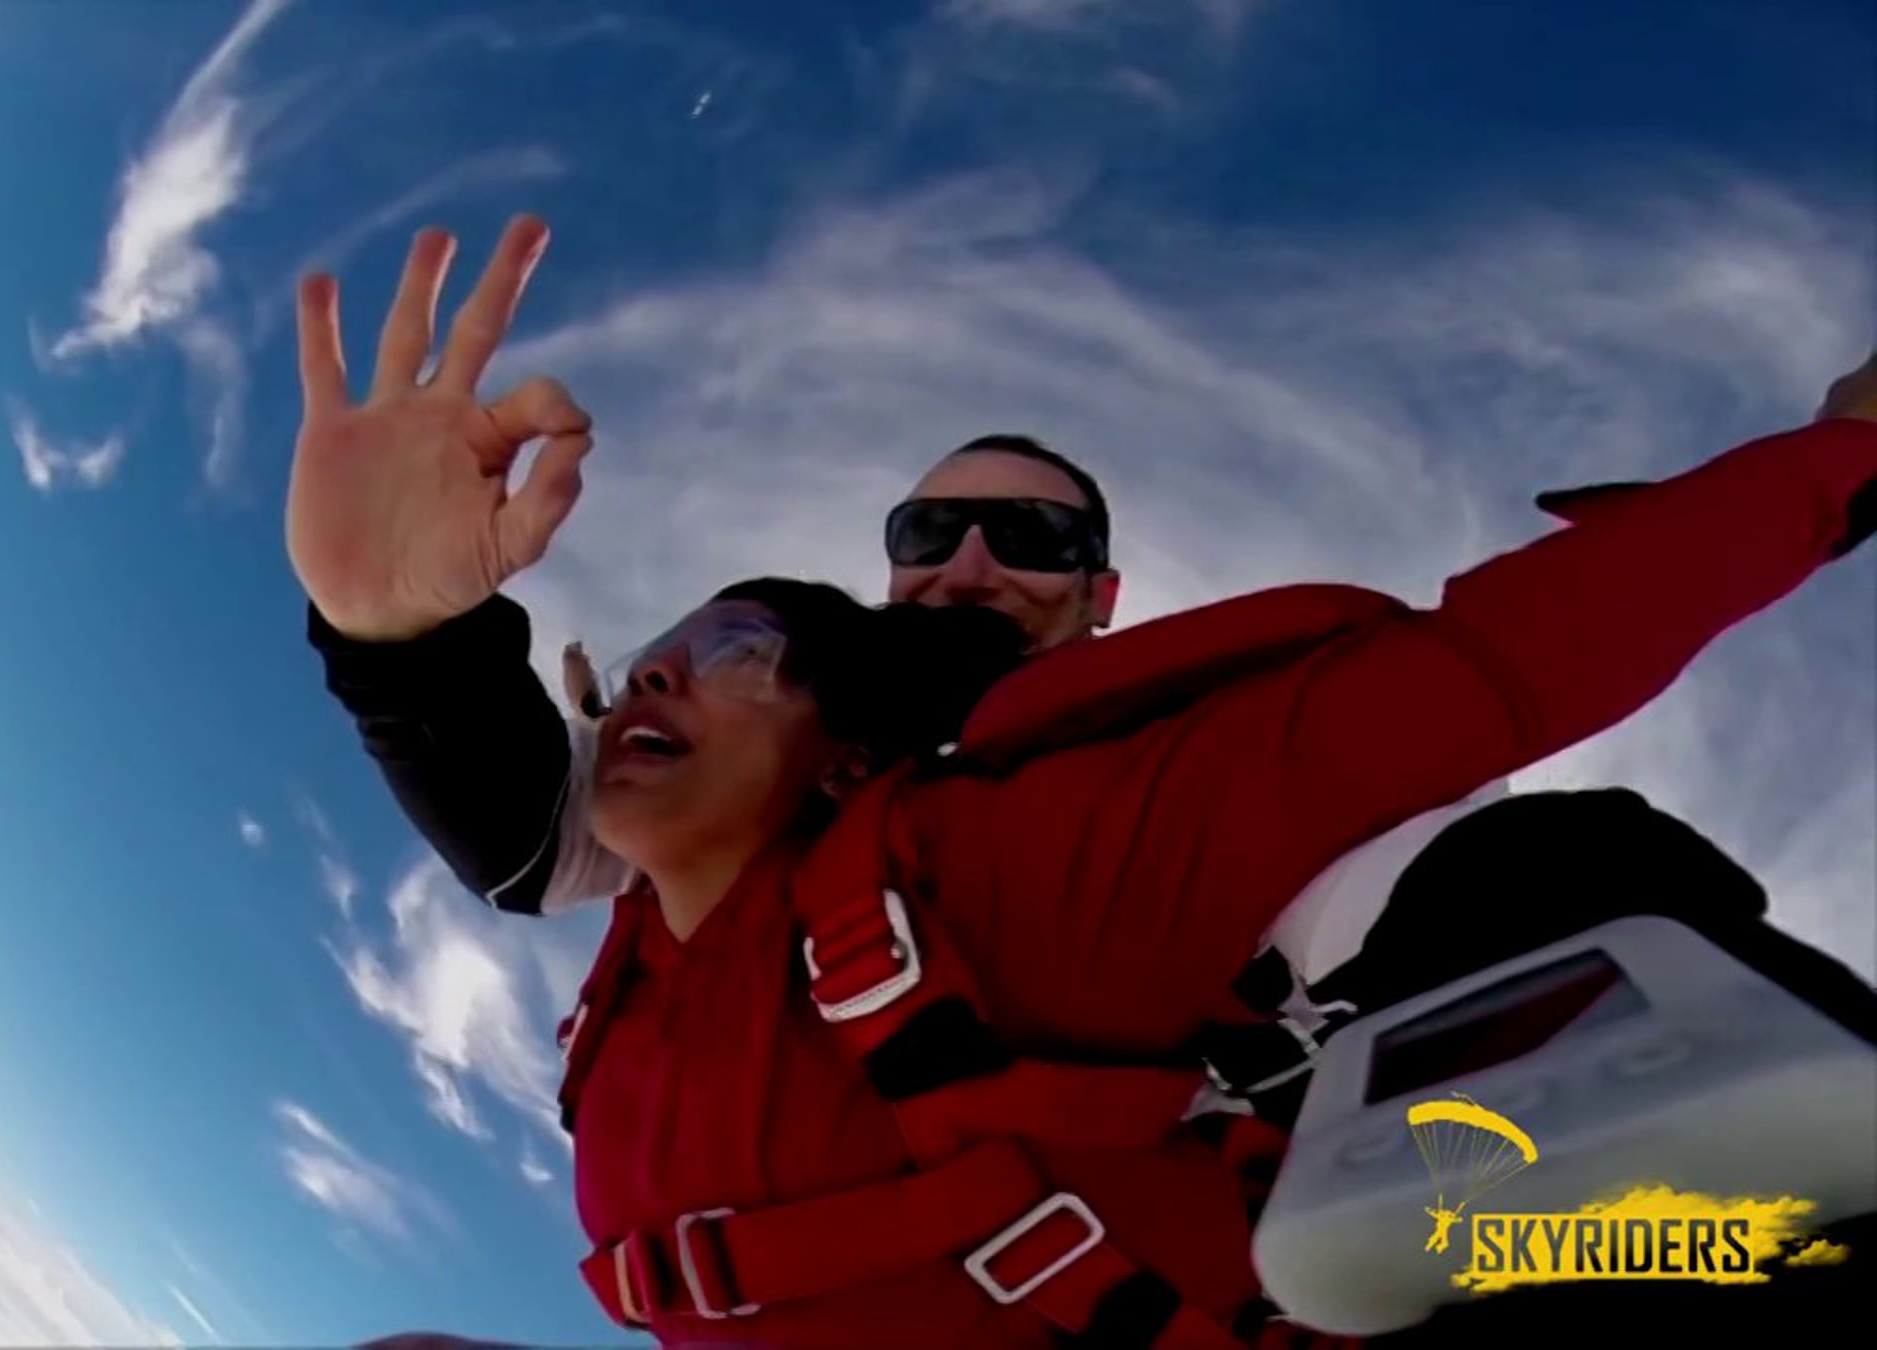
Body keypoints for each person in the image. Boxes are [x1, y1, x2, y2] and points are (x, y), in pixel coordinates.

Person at [290, 216, 1877, 1346]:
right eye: (931, 534)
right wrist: (396, 633)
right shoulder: (733, 804)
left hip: (1233, 1129)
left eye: (1034, 536)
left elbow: (1467, 689)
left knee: (1510, 884)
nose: (973, 560)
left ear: (1101, 594)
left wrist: (1835, 462)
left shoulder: (1058, 825)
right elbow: (532, 819)